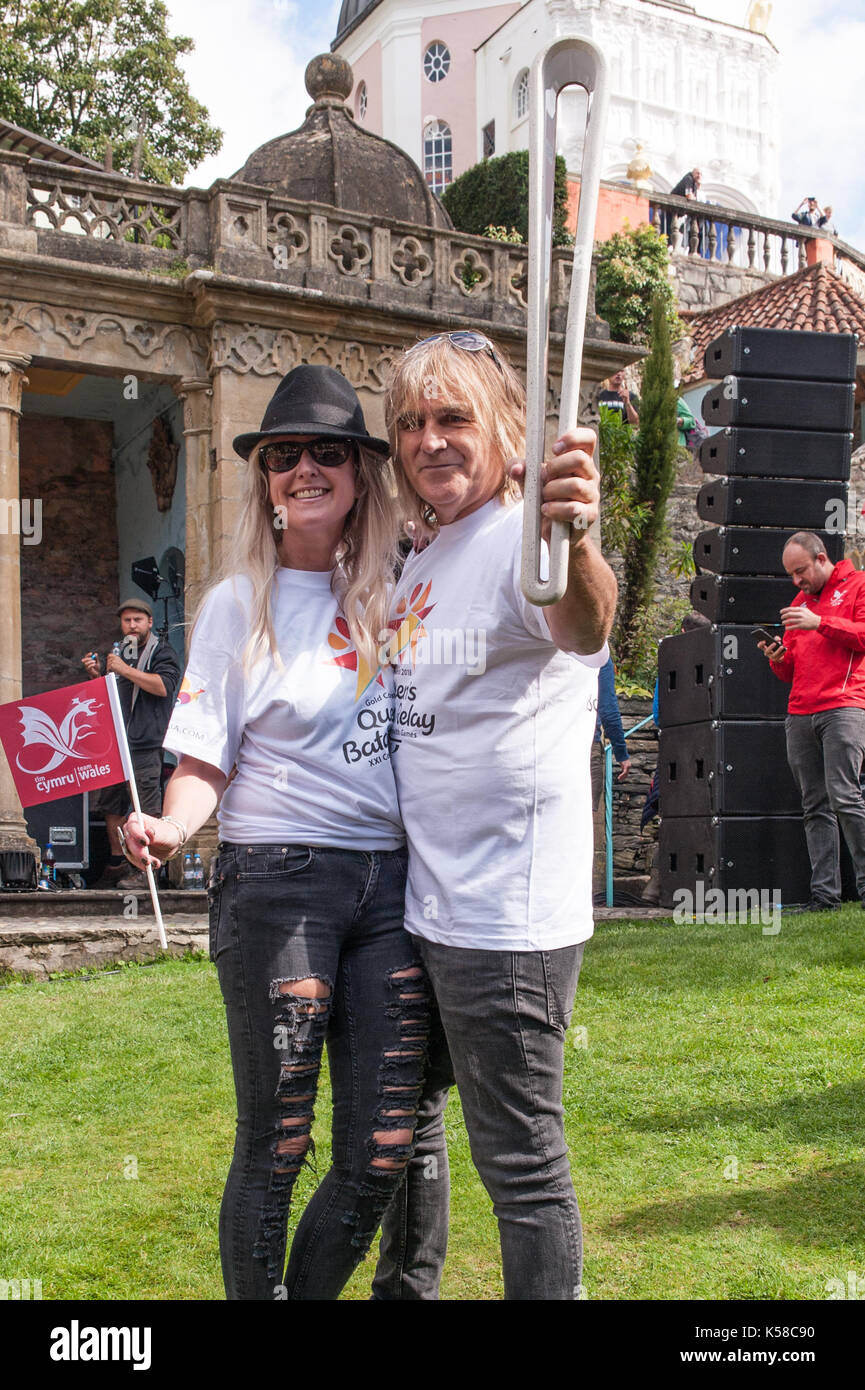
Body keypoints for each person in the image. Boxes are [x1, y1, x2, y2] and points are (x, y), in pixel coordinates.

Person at [120, 365, 431, 1300]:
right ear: (262, 479)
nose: (303, 469)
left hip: (392, 888)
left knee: (381, 1151)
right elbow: (203, 758)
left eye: (326, 452)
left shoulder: (396, 589)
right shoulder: (232, 603)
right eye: (282, 455)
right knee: (278, 1142)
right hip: (278, 883)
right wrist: (172, 827)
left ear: (358, 471)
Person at [372, 330, 617, 1300]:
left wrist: (580, 535)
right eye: (410, 423)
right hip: (422, 904)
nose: (428, 440)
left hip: (503, 921)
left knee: (519, 1164)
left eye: (451, 418)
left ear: (505, 432)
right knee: (405, 1123)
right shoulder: (423, 555)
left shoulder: (530, 540)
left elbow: (583, 622)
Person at [758, 531, 865, 913]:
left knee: (846, 797)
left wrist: (819, 622)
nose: (796, 581)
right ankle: (825, 897)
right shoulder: (798, 604)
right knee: (814, 805)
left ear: (822, 559)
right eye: (790, 574)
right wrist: (776, 656)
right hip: (801, 711)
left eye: (800, 571)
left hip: (844, 706)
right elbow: (791, 671)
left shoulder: (857, 585)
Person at [82, 598, 180, 889]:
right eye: (127, 621)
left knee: (145, 807)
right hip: (115, 741)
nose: (132, 625)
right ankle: (117, 864)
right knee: (110, 805)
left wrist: (123, 669)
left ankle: (145, 870)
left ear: (150, 622)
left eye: (138, 620)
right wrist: (97, 674)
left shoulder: (162, 652)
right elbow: (112, 695)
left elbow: (163, 687)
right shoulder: (119, 652)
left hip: (146, 743)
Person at [591, 657, 631, 892]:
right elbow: (607, 708)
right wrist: (621, 752)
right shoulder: (598, 656)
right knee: (582, 822)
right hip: (584, 743)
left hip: (545, 741)